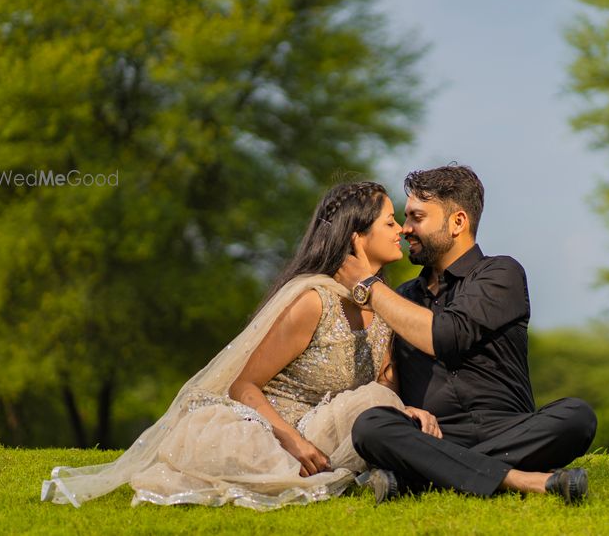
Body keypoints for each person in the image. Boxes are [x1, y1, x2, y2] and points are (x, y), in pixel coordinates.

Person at [40, 181, 440, 510]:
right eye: (390, 223)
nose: (402, 231)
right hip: (274, 428)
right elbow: (244, 386)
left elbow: (385, 386)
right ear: (358, 236)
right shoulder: (313, 301)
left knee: (371, 399)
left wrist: (407, 410)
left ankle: (378, 473)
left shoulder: (384, 301)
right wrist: (293, 441)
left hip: (333, 424)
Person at [335, 165, 597, 504]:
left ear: (458, 222)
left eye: (417, 218)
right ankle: (523, 480)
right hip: (434, 435)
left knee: (576, 417)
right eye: (405, 218)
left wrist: (369, 286)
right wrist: (403, 409)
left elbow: (445, 335)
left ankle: (420, 476)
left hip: (509, 431)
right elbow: (389, 377)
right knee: (371, 426)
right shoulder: (402, 297)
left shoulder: (500, 274)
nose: (405, 229)